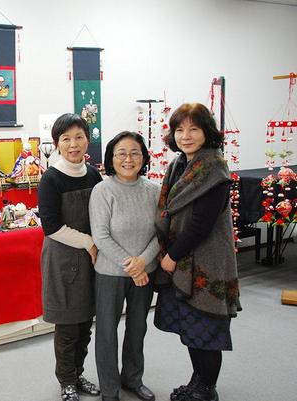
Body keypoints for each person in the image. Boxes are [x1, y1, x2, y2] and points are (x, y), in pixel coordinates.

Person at [154, 103, 241, 401]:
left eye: (194, 129)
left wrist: (172, 256)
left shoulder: (214, 168)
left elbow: (201, 224)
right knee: (191, 327)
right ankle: (197, 380)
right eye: (180, 129)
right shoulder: (179, 164)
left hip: (206, 260)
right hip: (183, 258)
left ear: (207, 132)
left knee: (207, 326)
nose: (186, 136)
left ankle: (207, 389)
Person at [88, 132, 160, 401]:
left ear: (143, 157)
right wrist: (133, 266)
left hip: (145, 273)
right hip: (110, 274)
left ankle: (132, 379)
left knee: (137, 329)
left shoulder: (154, 190)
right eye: (121, 153)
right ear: (111, 158)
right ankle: (109, 390)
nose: (128, 159)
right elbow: (100, 236)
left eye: (134, 153)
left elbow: (161, 233)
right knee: (107, 332)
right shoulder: (102, 190)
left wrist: (142, 263)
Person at [38, 113, 102, 401]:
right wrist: (89, 242)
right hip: (63, 259)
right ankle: (66, 381)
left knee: (85, 324)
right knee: (68, 326)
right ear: (57, 144)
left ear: (87, 140)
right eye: (66, 139)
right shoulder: (50, 178)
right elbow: (51, 227)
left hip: (90, 260)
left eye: (79, 137)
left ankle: (77, 374)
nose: (73, 144)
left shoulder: (94, 175)